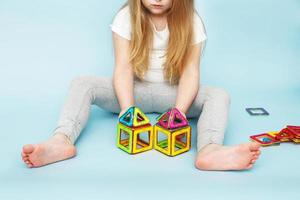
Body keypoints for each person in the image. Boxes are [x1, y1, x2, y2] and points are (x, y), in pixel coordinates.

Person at [21, 0, 261, 170]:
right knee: (83, 83)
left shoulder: (192, 21)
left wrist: (178, 112)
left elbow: (190, 72)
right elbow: (123, 68)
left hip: (174, 93)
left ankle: (209, 150)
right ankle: (61, 140)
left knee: (218, 95)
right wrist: (127, 109)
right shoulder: (125, 16)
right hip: (134, 92)